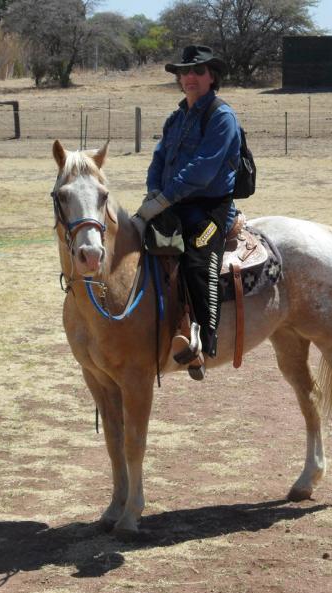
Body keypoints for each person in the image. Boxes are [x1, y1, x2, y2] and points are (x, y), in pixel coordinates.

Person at [132, 45, 241, 381]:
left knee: (196, 259)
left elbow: (202, 170)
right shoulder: (176, 118)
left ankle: (203, 344)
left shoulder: (222, 117)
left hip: (210, 210)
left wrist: (163, 200)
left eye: (198, 71)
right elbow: (158, 160)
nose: (190, 77)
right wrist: (154, 192)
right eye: (185, 71)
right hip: (171, 203)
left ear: (212, 77)